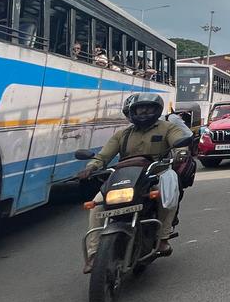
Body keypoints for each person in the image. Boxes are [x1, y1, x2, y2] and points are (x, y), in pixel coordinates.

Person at [77, 93, 190, 273]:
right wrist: (90, 168)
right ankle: (93, 254)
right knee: (97, 204)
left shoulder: (167, 128)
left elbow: (179, 143)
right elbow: (103, 156)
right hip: (126, 176)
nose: (144, 112)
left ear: (156, 110)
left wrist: (180, 153)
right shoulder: (123, 134)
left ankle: (162, 238)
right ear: (131, 111)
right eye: (139, 109)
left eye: (148, 108)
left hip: (155, 175)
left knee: (168, 195)